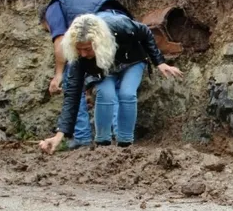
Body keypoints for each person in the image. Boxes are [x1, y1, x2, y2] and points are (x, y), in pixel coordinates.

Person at [39, 12, 183, 153]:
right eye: (79, 49)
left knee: (127, 93)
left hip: (131, 60)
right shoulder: (79, 58)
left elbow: (145, 31)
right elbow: (72, 95)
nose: (83, 54)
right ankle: (103, 144)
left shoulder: (120, 26)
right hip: (103, 66)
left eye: (87, 49)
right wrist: (59, 135)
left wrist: (160, 62)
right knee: (105, 93)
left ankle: (125, 144)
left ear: (98, 42)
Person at [40, 0, 130, 147]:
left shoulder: (53, 8)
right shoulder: (75, 5)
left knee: (70, 80)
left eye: (48, 30)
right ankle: (121, 137)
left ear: (45, 21)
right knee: (113, 84)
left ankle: (82, 138)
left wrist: (58, 75)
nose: (51, 32)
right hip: (122, 25)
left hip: (101, 26)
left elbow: (60, 43)